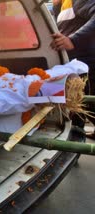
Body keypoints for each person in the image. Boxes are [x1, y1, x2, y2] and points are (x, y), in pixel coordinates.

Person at [50, 0, 95, 138]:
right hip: (72, 64)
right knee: (79, 105)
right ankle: (76, 136)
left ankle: (75, 141)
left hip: (85, 64)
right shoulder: (62, 4)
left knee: (83, 104)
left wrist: (73, 40)